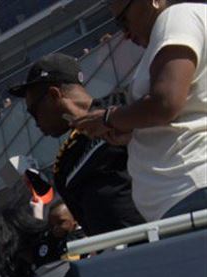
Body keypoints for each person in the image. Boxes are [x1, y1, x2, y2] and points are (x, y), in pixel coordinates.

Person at [72, 0, 207, 221]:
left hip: (191, 190)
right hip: (185, 194)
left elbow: (165, 102)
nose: (125, 33)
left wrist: (109, 118)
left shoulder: (176, 17)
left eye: (123, 20)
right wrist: (131, 129)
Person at [8, 54, 144, 235]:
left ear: (54, 95)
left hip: (165, 232)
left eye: (35, 111)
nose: (35, 122)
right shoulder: (63, 162)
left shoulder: (123, 107)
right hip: (115, 254)